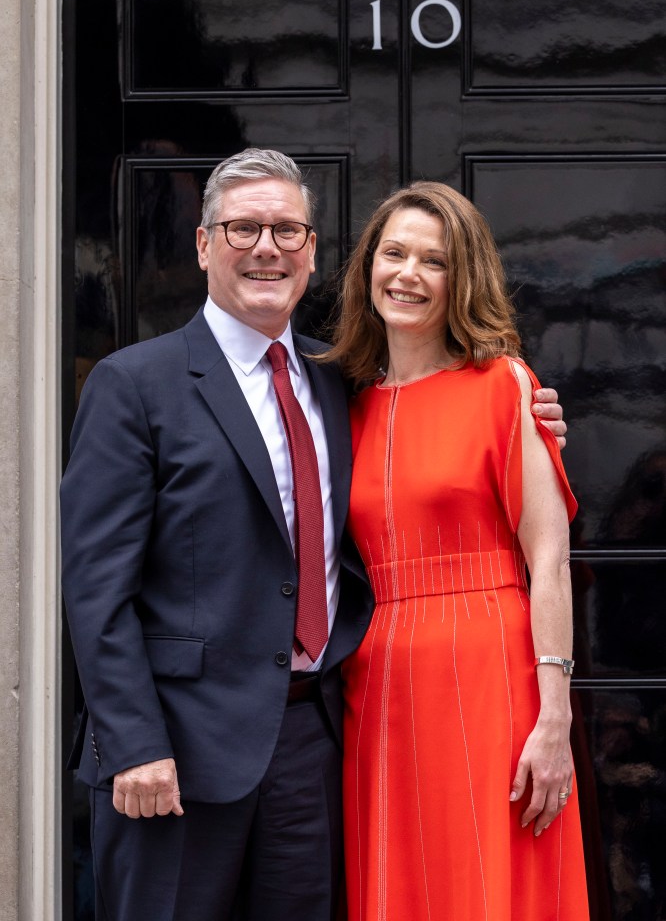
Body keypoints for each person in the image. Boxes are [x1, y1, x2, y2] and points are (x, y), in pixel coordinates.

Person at [60, 149, 568, 921]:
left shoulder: (340, 385)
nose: (268, 248)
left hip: (316, 742)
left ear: (313, 252)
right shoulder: (134, 384)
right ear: (203, 245)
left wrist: (530, 421)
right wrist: (132, 743)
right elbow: (97, 587)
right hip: (176, 755)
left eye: (288, 231)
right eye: (243, 229)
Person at [323, 181, 589, 920]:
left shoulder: (503, 385)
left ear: (461, 277)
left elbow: (551, 562)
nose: (407, 274)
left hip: (491, 671)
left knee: (492, 879)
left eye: (432, 261)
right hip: (379, 684)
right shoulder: (341, 402)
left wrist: (555, 717)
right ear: (367, 267)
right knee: (404, 884)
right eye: (393, 253)